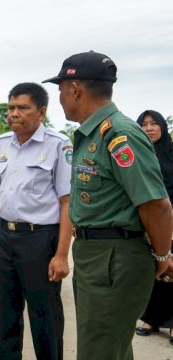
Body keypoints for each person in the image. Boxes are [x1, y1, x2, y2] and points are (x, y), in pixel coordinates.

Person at [43, 51, 173, 359]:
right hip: (99, 257)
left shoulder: (118, 134)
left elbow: (157, 205)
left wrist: (162, 254)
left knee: (99, 350)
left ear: (75, 89)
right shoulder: (92, 133)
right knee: (109, 346)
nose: (60, 97)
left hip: (114, 259)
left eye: (60, 88)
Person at [0, 82, 72, 359]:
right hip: (6, 237)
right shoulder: (3, 142)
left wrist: (62, 254)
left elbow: (68, 202)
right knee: (5, 313)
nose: (14, 113)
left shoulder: (58, 144)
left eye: (22, 108)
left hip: (40, 240)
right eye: (11, 108)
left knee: (45, 316)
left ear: (41, 112)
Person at [134, 110, 173, 345]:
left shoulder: (171, 152)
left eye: (154, 124)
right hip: (145, 220)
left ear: (162, 127)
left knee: (170, 269)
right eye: (144, 124)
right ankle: (151, 318)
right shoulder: (136, 154)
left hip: (170, 218)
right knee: (152, 270)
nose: (149, 128)